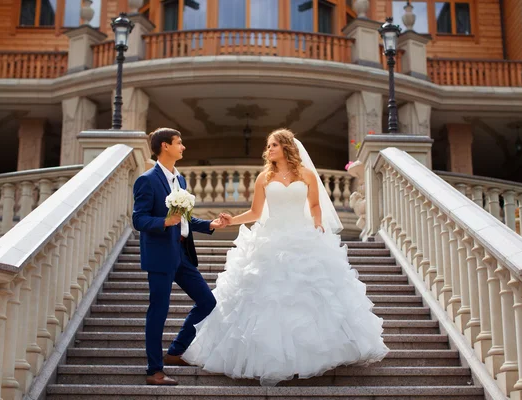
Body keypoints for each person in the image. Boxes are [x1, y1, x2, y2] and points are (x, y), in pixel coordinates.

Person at [182, 128, 389, 386]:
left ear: (286, 147)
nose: (268, 150)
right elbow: (256, 212)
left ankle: (312, 354)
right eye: (268, 146)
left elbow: (315, 205)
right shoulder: (263, 178)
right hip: (270, 240)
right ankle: (268, 357)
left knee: (312, 297)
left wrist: (317, 224)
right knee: (266, 296)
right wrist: (231, 220)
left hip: (303, 237)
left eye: (273, 145)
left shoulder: (307, 174)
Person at [132, 127, 229, 385]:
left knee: (207, 302)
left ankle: (175, 351)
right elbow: (138, 219)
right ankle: (155, 370)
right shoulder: (147, 180)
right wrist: (164, 221)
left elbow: (184, 219)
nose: (183, 147)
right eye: (179, 142)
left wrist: (210, 225)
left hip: (182, 253)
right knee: (159, 311)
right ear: (165, 146)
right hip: (160, 254)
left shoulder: (181, 180)